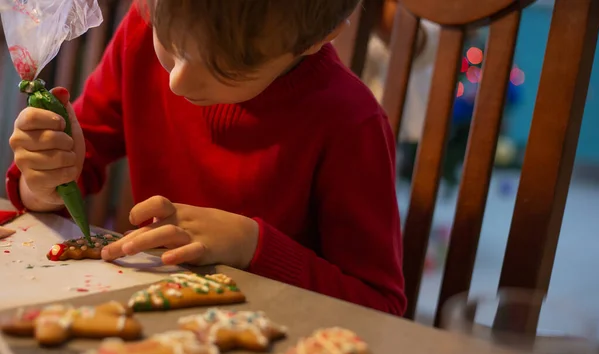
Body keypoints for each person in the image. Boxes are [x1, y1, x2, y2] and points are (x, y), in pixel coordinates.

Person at [7, 0, 406, 316]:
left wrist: (254, 246)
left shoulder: (351, 123)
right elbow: (66, 176)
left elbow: (380, 307)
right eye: (170, 41)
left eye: (226, 67)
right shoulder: (141, 31)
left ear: (318, 38)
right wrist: (43, 181)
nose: (177, 81)